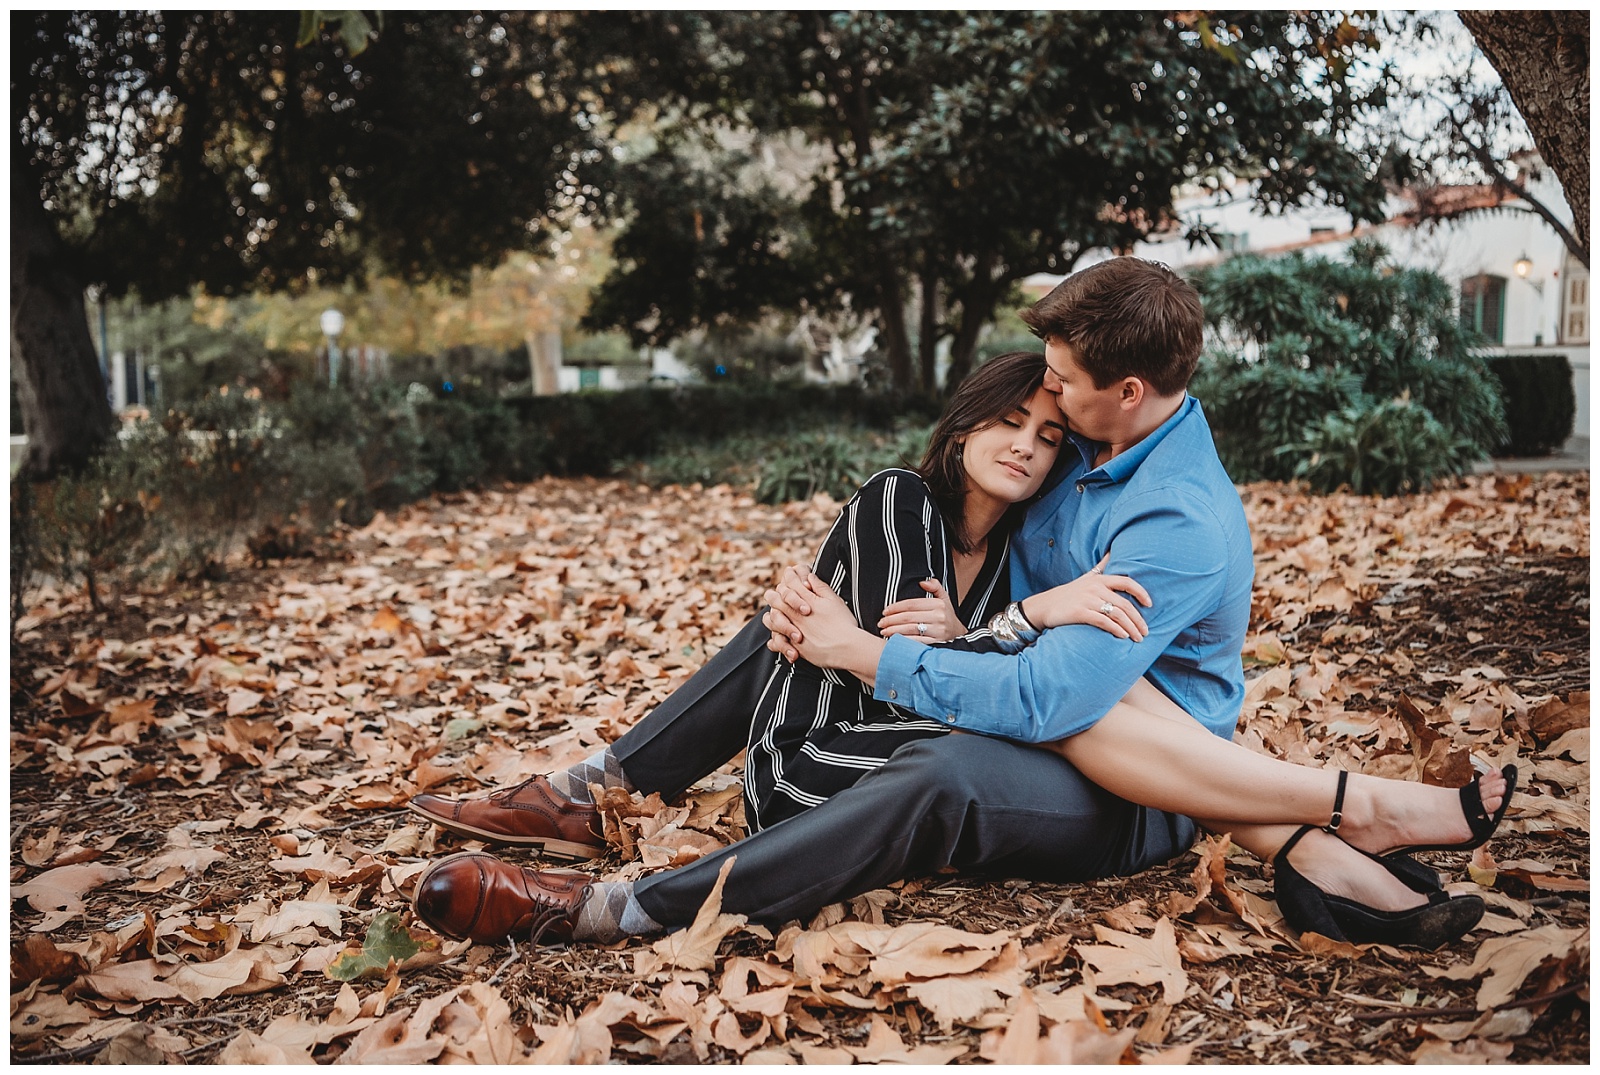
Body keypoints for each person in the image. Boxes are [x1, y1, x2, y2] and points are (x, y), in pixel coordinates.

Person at [407, 258, 1510, 952]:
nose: (1045, 402)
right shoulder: (1088, 445)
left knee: (934, 766)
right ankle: (596, 787)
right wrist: (872, 620)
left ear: (1122, 392)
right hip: (1075, 732)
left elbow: (1049, 706)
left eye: (1060, 383)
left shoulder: (1175, 520)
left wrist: (875, 651)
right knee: (803, 621)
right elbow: (989, 589)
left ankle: (625, 907)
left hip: (1145, 790)